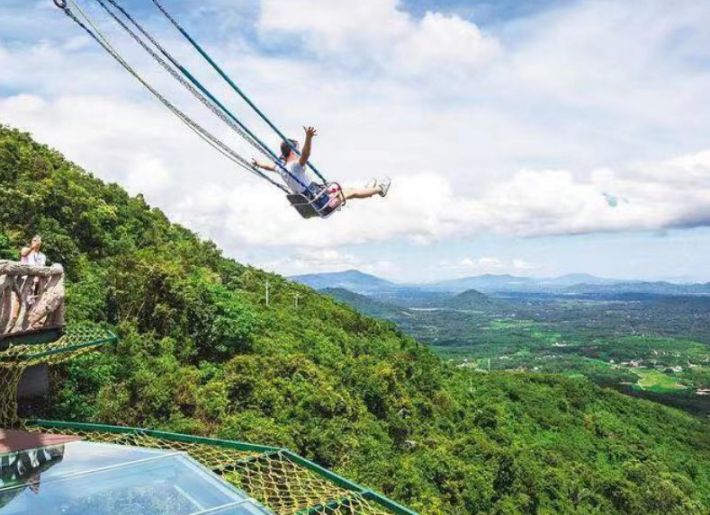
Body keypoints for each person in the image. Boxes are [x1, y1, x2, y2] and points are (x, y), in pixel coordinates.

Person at [252, 126, 391, 207]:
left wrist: (258, 163)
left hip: (314, 200)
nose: (299, 151)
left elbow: (269, 166)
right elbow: (306, 154)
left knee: (347, 190)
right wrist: (309, 138)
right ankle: (380, 189)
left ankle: (369, 190)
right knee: (351, 192)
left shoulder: (281, 168)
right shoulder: (295, 166)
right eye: (297, 149)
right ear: (293, 152)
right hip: (322, 203)